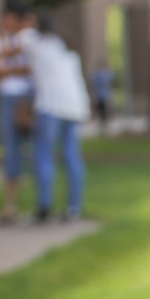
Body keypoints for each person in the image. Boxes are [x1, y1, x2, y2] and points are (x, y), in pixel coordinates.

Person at [22, 14, 91, 222]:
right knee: (71, 156)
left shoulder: (36, 43)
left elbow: (19, 39)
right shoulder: (68, 48)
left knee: (43, 155)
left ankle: (44, 207)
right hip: (74, 107)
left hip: (50, 106)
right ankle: (73, 207)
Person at [0, 1, 35, 226]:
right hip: (8, 98)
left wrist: (6, 68)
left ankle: (40, 203)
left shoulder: (30, 39)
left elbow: (30, 69)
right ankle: (10, 205)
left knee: (36, 150)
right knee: (10, 151)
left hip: (30, 97)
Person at [89, 62, 114, 134]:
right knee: (100, 110)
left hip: (104, 96)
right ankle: (101, 124)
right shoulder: (95, 75)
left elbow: (109, 85)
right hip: (99, 96)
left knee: (104, 111)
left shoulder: (106, 74)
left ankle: (105, 124)